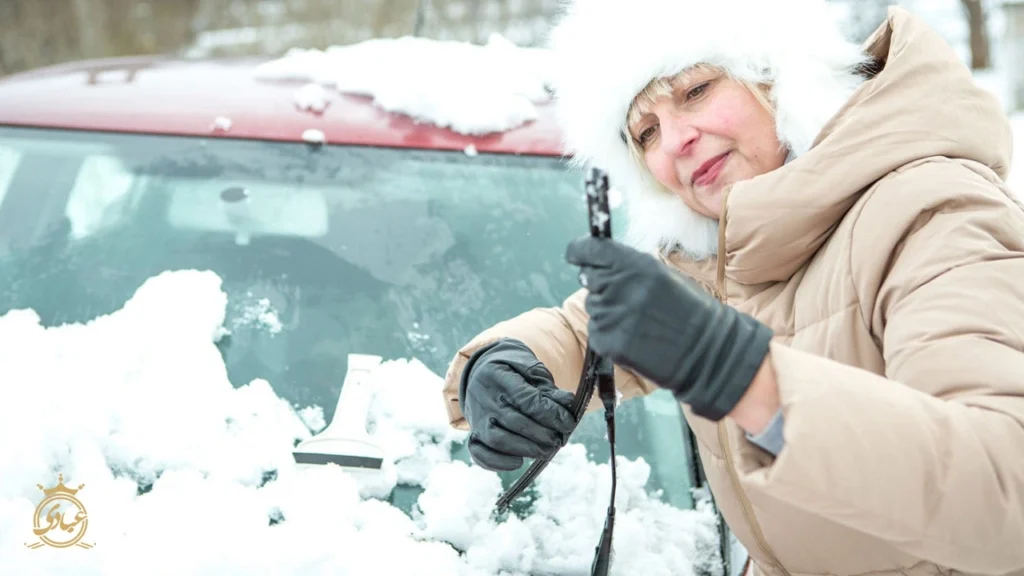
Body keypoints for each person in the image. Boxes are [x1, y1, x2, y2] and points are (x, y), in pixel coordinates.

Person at [441, 0, 1024, 574]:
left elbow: (1007, 488)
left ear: (777, 76)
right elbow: (586, 330)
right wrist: (500, 365)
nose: (674, 141)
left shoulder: (933, 213)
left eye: (695, 90)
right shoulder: (721, 254)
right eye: (646, 133)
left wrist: (744, 377)